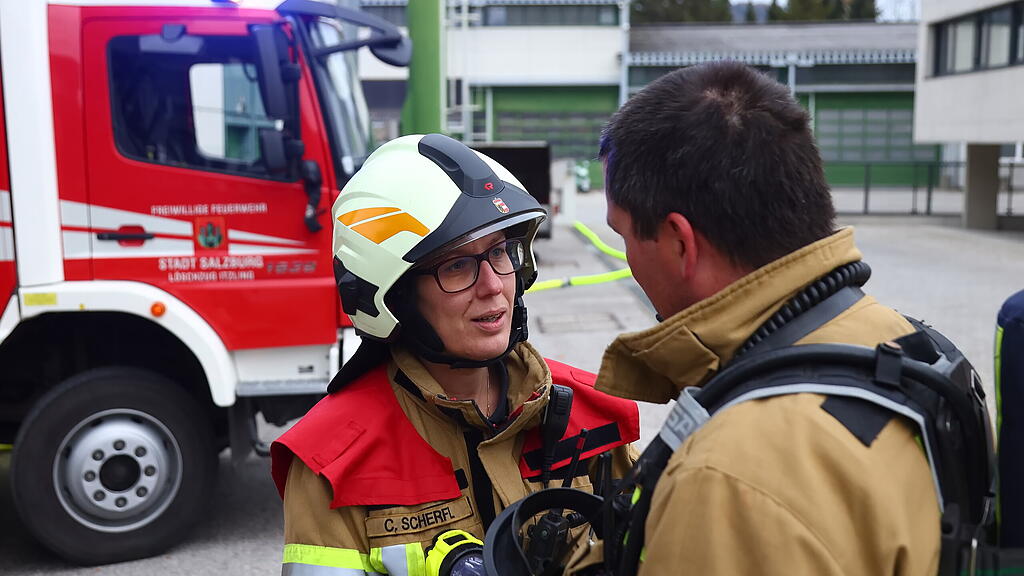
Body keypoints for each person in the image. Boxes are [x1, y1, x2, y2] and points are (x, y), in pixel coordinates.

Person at [584, 62, 940, 575]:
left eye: (623, 236)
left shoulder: (727, 479)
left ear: (680, 242)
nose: (627, 259)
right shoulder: (912, 346)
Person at [271, 134, 639, 576]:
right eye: (456, 266)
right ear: (395, 295)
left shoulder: (590, 413)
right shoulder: (331, 463)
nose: (493, 286)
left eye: (500, 252)